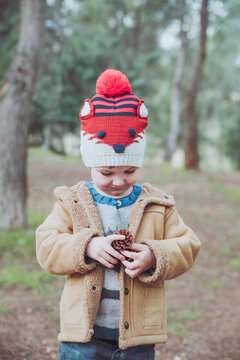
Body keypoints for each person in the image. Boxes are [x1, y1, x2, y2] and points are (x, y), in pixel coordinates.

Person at [35, 69, 201, 360]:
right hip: (82, 337)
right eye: (106, 172)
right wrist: (86, 245)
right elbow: (46, 245)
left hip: (138, 337)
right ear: (89, 165)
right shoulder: (72, 201)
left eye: (130, 171)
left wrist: (154, 255)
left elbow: (188, 245)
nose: (118, 180)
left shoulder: (158, 204)